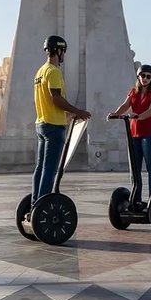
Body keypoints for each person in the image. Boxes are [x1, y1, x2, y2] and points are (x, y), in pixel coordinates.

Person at [32, 35, 91, 204]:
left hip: (41, 124)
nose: (63, 54)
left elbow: (46, 102)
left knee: (40, 167)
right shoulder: (54, 71)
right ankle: (43, 204)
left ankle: (35, 201)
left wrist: (69, 115)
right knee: (50, 169)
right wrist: (78, 111)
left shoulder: (40, 72)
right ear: (58, 50)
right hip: (53, 127)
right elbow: (56, 99)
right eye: (63, 51)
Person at [108, 64, 151, 208]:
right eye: (143, 75)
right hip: (134, 134)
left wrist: (137, 117)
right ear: (138, 76)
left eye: (148, 77)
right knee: (135, 169)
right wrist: (115, 114)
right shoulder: (133, 92)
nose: (145, 79)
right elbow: (125, 106)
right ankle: (136, 200)